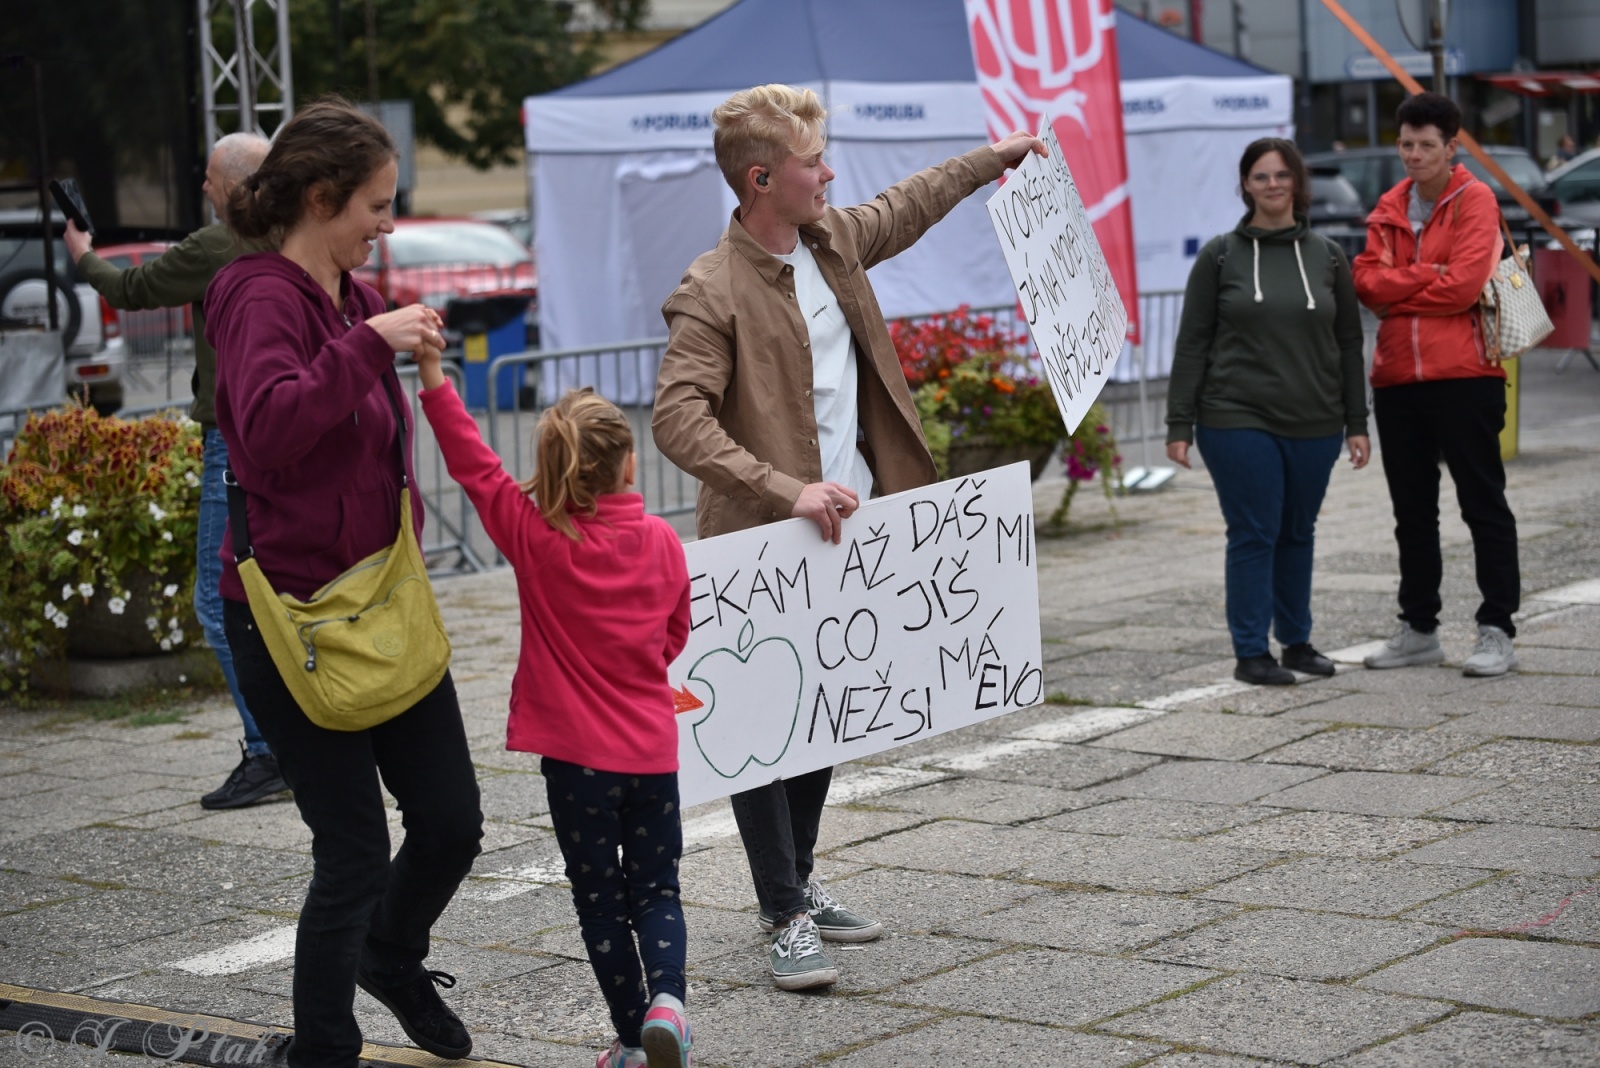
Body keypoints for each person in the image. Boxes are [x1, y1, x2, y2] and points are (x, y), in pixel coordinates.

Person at [652, 83, 1044, 992]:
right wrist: (784, 489)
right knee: (761, 729)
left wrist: (995, 159)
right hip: (763, 543)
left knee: (828, 710)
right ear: (762, 180)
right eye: (812, 162)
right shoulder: (711, 289)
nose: (828, 174)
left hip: (855, 526)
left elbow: (909, 203)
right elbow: (676, 419)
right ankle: (782, 912)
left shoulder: (831, 239)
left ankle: (797, 882)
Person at [205, 100, 483, 1067]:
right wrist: (371, 346)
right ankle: (324, 1050)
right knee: (355, 850)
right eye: (376, 204)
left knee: (452, 822)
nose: (388, 224)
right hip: (292, 618)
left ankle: (390, 956)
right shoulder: (257, 295)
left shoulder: (354, 300)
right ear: (321, 199)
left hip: (379, 600)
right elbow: (271, 430)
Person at [416, 370, 693, 1068]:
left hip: (576, 765)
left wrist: (433, 380)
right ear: (629, 464)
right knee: (657, 889)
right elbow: (674, 635)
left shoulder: (537, 538)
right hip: (651, 754)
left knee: (600, 902)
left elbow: (476, 468)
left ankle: (631, 1042)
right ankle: (668, 1002)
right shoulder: (663, 540)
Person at [65, 133, 288, 810]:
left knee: (218, 604)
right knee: (280, 592)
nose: (203, 187)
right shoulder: (293, 241)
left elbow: (131, 288)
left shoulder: (216, 246)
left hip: (232, 440)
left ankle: (269, 751)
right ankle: (302, 738)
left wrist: (82, 252)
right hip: (284, 434)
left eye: (211, 177)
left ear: (235, 186)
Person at [1166, 138, 1370, 686]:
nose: (1273, 184)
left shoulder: (1329, 256)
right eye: (1261, 176)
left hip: (1317, 419)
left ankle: (1297, 643)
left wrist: (1357, 422)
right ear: (1245, 185)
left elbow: (1349, 343)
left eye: (1282, 175)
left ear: (1297, 183)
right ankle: (1252, 653)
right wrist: (1179, 423)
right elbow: (1192, 344)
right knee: (1255, 532)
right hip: (1235, 417)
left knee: (1298, 532)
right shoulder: (1221, 256)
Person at [1352, 91, 1519, 677]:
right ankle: (1419, 628)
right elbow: (1366, 283)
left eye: (1426, 145)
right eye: (1406, 144)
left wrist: (1402, 288)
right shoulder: (1389, 204)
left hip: (1466, 375)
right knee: (1412, 513)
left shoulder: (1476, 199)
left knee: (1483, 504)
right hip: (1397, 377)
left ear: (1452, 147)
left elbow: (1466, 285)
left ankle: (1497, 629)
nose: (1414, 155)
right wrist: (1427, 276)